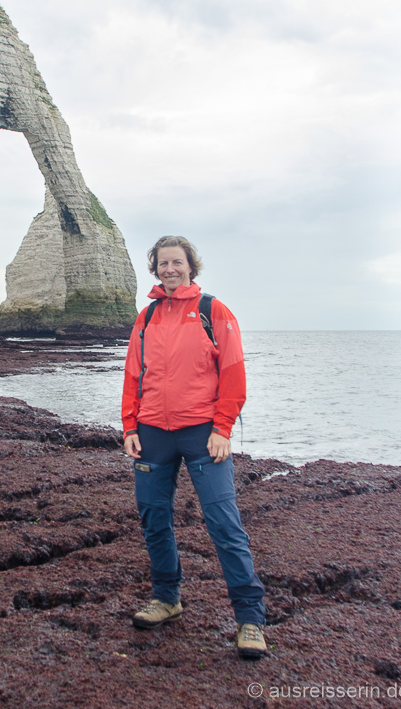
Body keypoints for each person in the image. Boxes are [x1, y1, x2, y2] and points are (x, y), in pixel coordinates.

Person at [121, 235, 267, 659]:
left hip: (203, 433)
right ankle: (167, 598)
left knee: (224, 523)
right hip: (151, 433)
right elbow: (133, 374)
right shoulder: (145, 317)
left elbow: (234, 374)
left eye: (177, 262)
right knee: (154, 518)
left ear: (190, 266)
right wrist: (130, 425)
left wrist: (223, 428)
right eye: (163, 263)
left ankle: (250, 620)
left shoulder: (212, 311)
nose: (170, 269)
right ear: (155, 268)